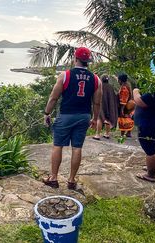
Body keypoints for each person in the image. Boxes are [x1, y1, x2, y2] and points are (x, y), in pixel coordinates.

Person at [42, 47, 102, 190]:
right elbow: (97, 102)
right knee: (77, 147)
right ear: (88, 62)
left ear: (75, 59)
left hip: (66, 115)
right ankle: (71, 180)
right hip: (84, 116)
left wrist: (47, 113)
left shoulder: (65, 75)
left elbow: (53, 97)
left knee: (58, 145)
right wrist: (95, 119)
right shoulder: (96, 79)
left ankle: (54, 178)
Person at [93, 75, 118, 140]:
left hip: (101, 104)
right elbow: (113, 97)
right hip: (109, 105)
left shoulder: (100, 86)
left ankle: (97, 135)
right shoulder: (110, 87)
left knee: (99, 118)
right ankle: (107, 134)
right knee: (107, 119)